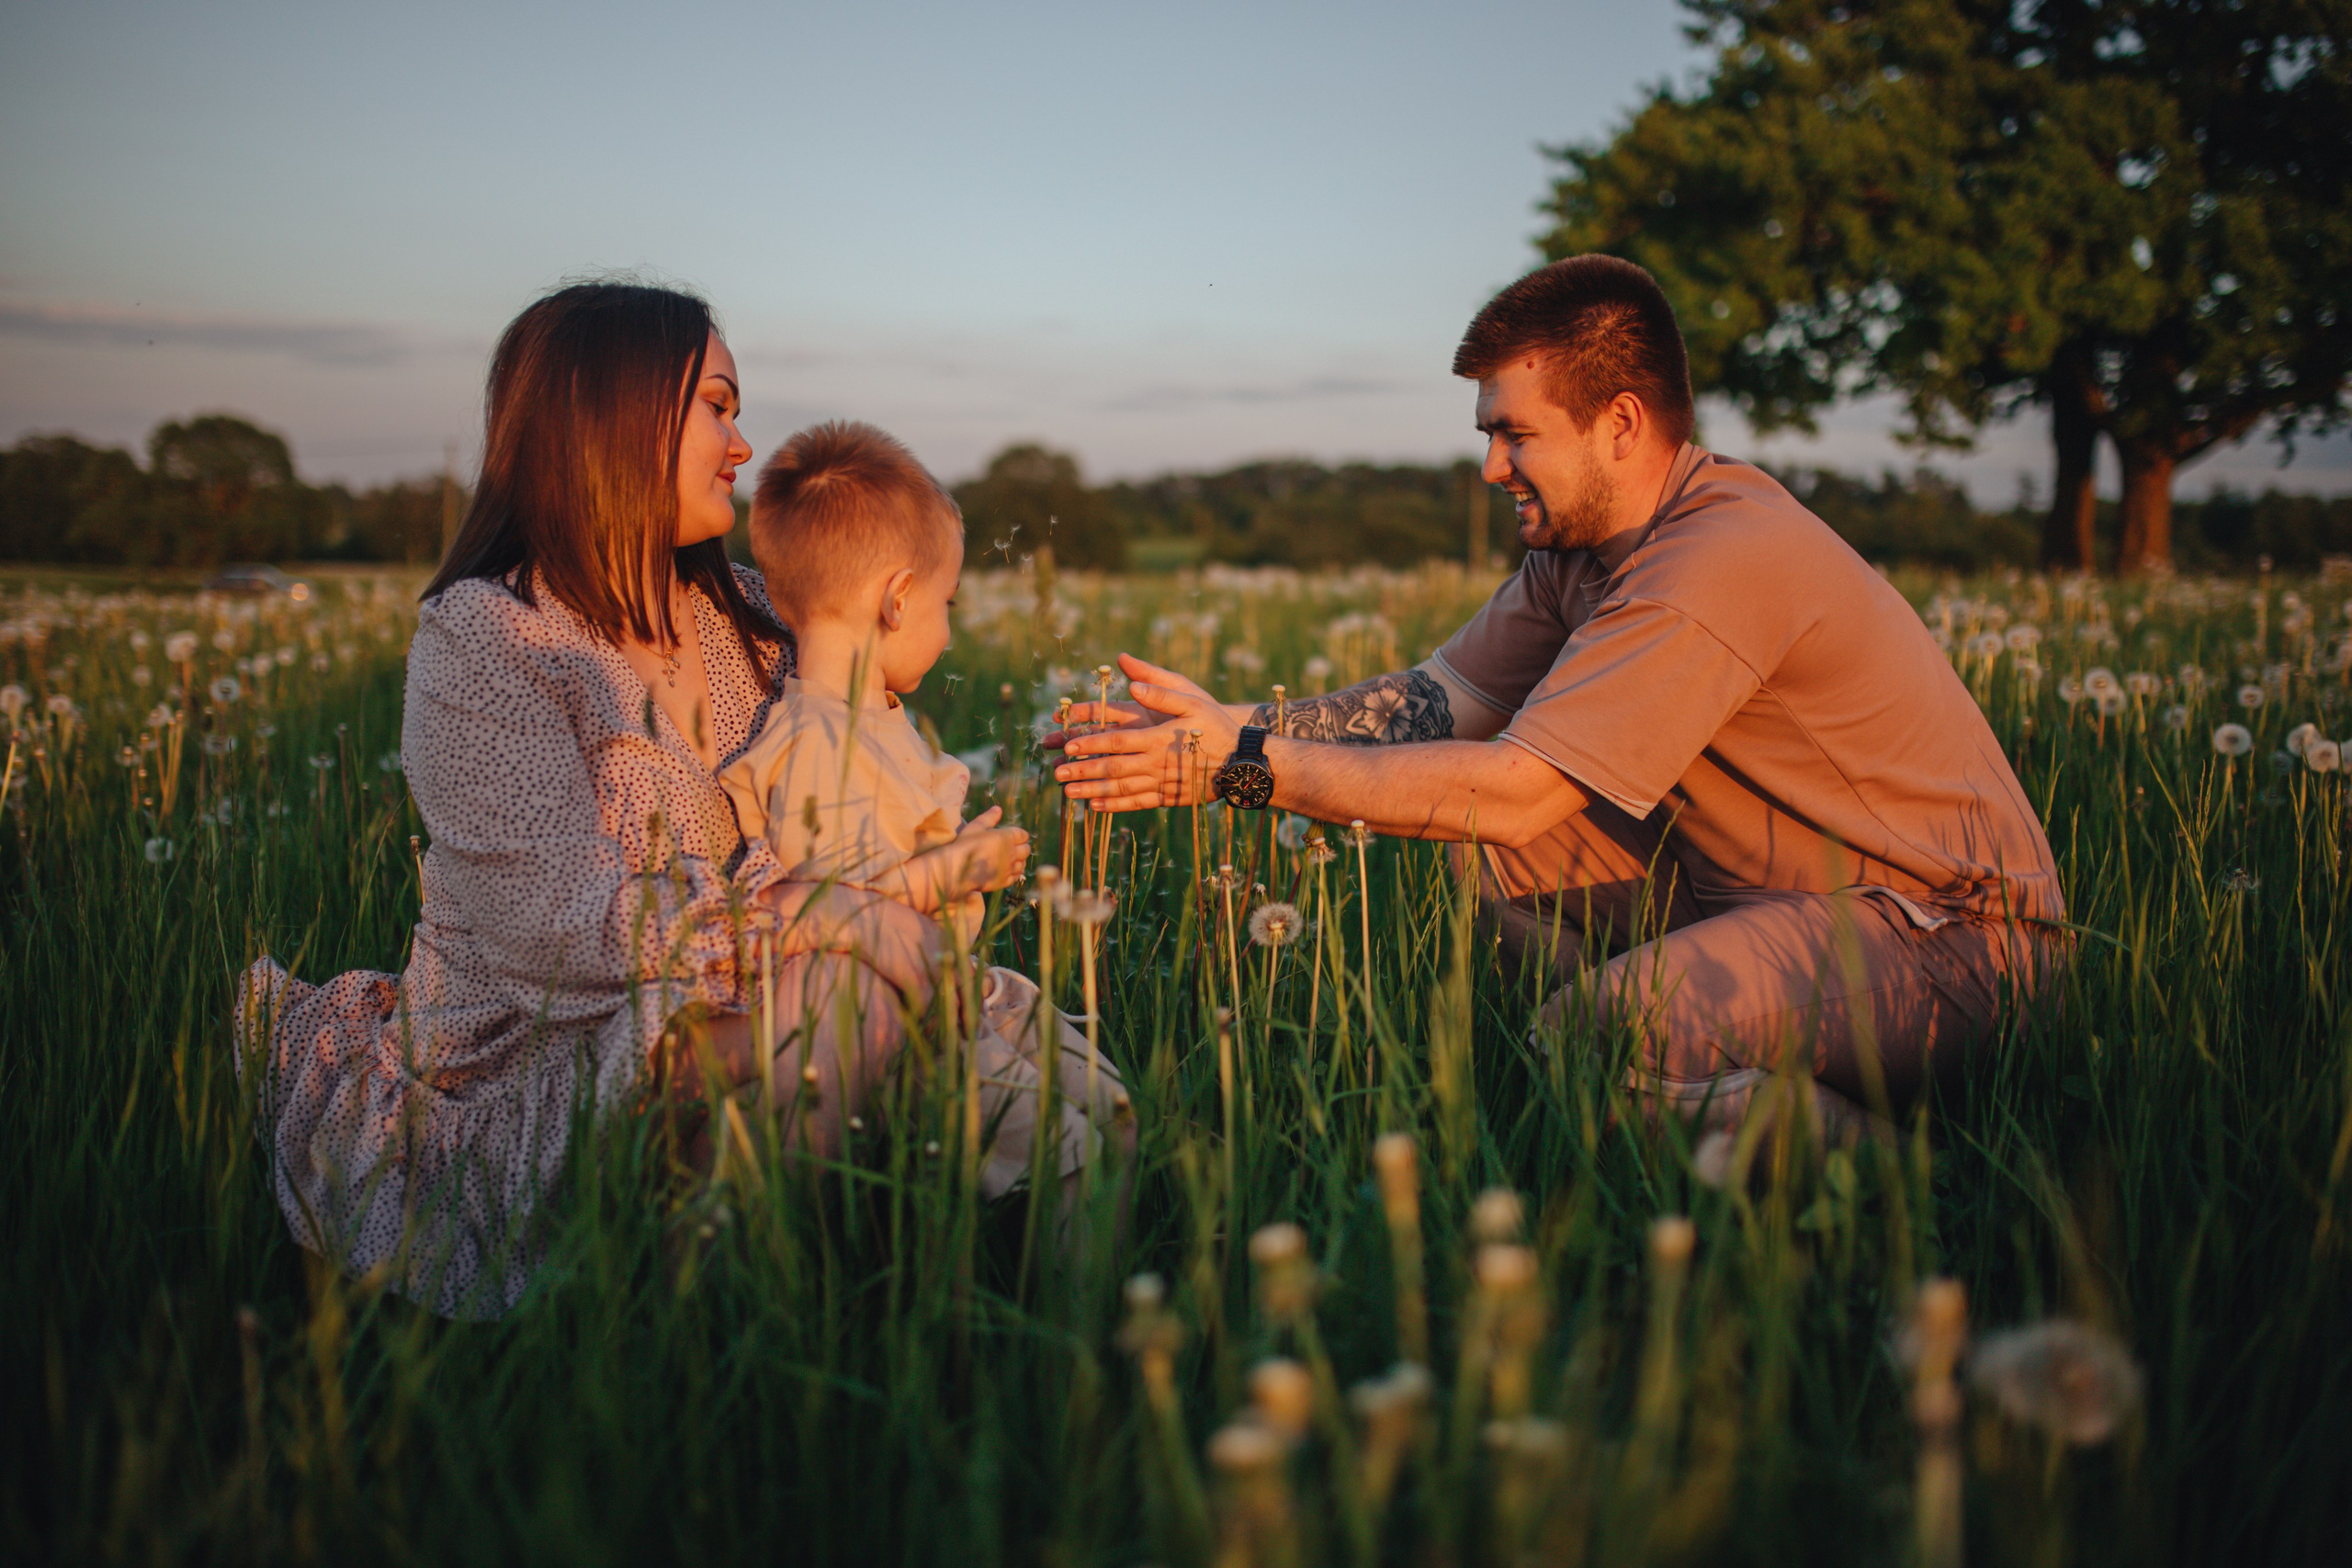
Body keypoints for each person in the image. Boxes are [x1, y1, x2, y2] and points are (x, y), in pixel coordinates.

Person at [1052, 255, 2064, 1140]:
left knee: (1600, 1025)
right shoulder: (1579, 555)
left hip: (1950, 940)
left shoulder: (1718, 557)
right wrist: (1225, 726)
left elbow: (1517, 791)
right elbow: (1436, 701)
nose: (1491, 467)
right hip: (1771, 900)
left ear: (1619, 424)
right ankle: (1666, 1090)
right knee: (1485, 855)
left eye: (1514, 434)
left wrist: (1241, 771)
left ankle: (1906, 1192)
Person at [236, 284, 945, 1317]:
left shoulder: (756, 616)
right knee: (833, 1005)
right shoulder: (490, 637)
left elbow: (872, 757)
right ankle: (706, 1342)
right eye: (716, 406)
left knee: (868, 1000)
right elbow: (554, 932)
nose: (743, 445)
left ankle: (780, 1312)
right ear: (613, 413)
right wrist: (809, 913)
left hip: (752, 992)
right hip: (538, 1047)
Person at [719, 420, 1127, 1199]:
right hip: (907, 1025)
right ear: (898, 599)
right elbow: (838, 915)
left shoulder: (869, 716)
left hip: (957, 986)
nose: (948, 629)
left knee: (1116, 1114)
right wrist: (954, 869)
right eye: (947, 601)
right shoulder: (814, 745)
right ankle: (1074, 1282)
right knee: (1076, 1156)